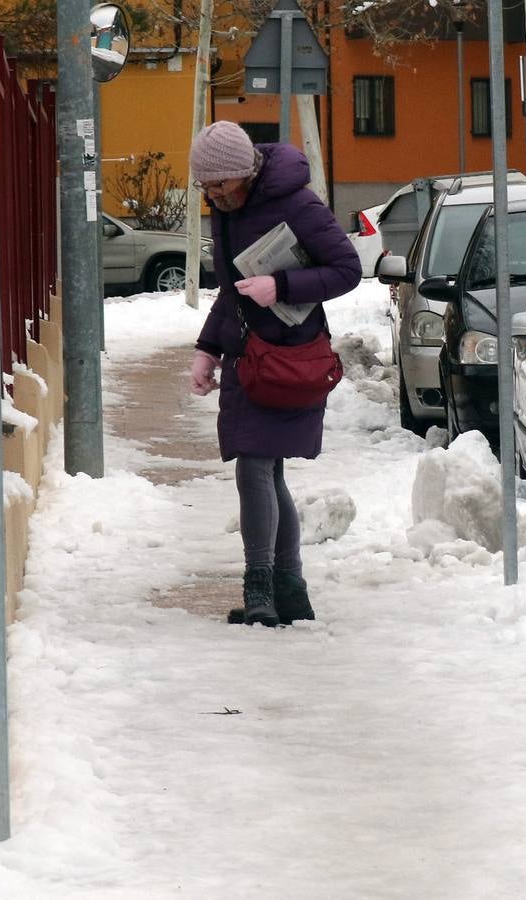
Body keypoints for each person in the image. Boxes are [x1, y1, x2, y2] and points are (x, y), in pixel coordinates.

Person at [188, 120, 361, 627]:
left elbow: (348, 269)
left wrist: (281, 285)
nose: (214, 196)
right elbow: (231, 289)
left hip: (289, 356)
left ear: (245, 173)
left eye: (220, 185)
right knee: (266, 468)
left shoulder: (297, 204)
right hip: (248, 356)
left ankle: (260, 585)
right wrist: (207, 349)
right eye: (206, 187)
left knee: (254, 465)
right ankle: (290, 588)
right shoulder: (226, 211)